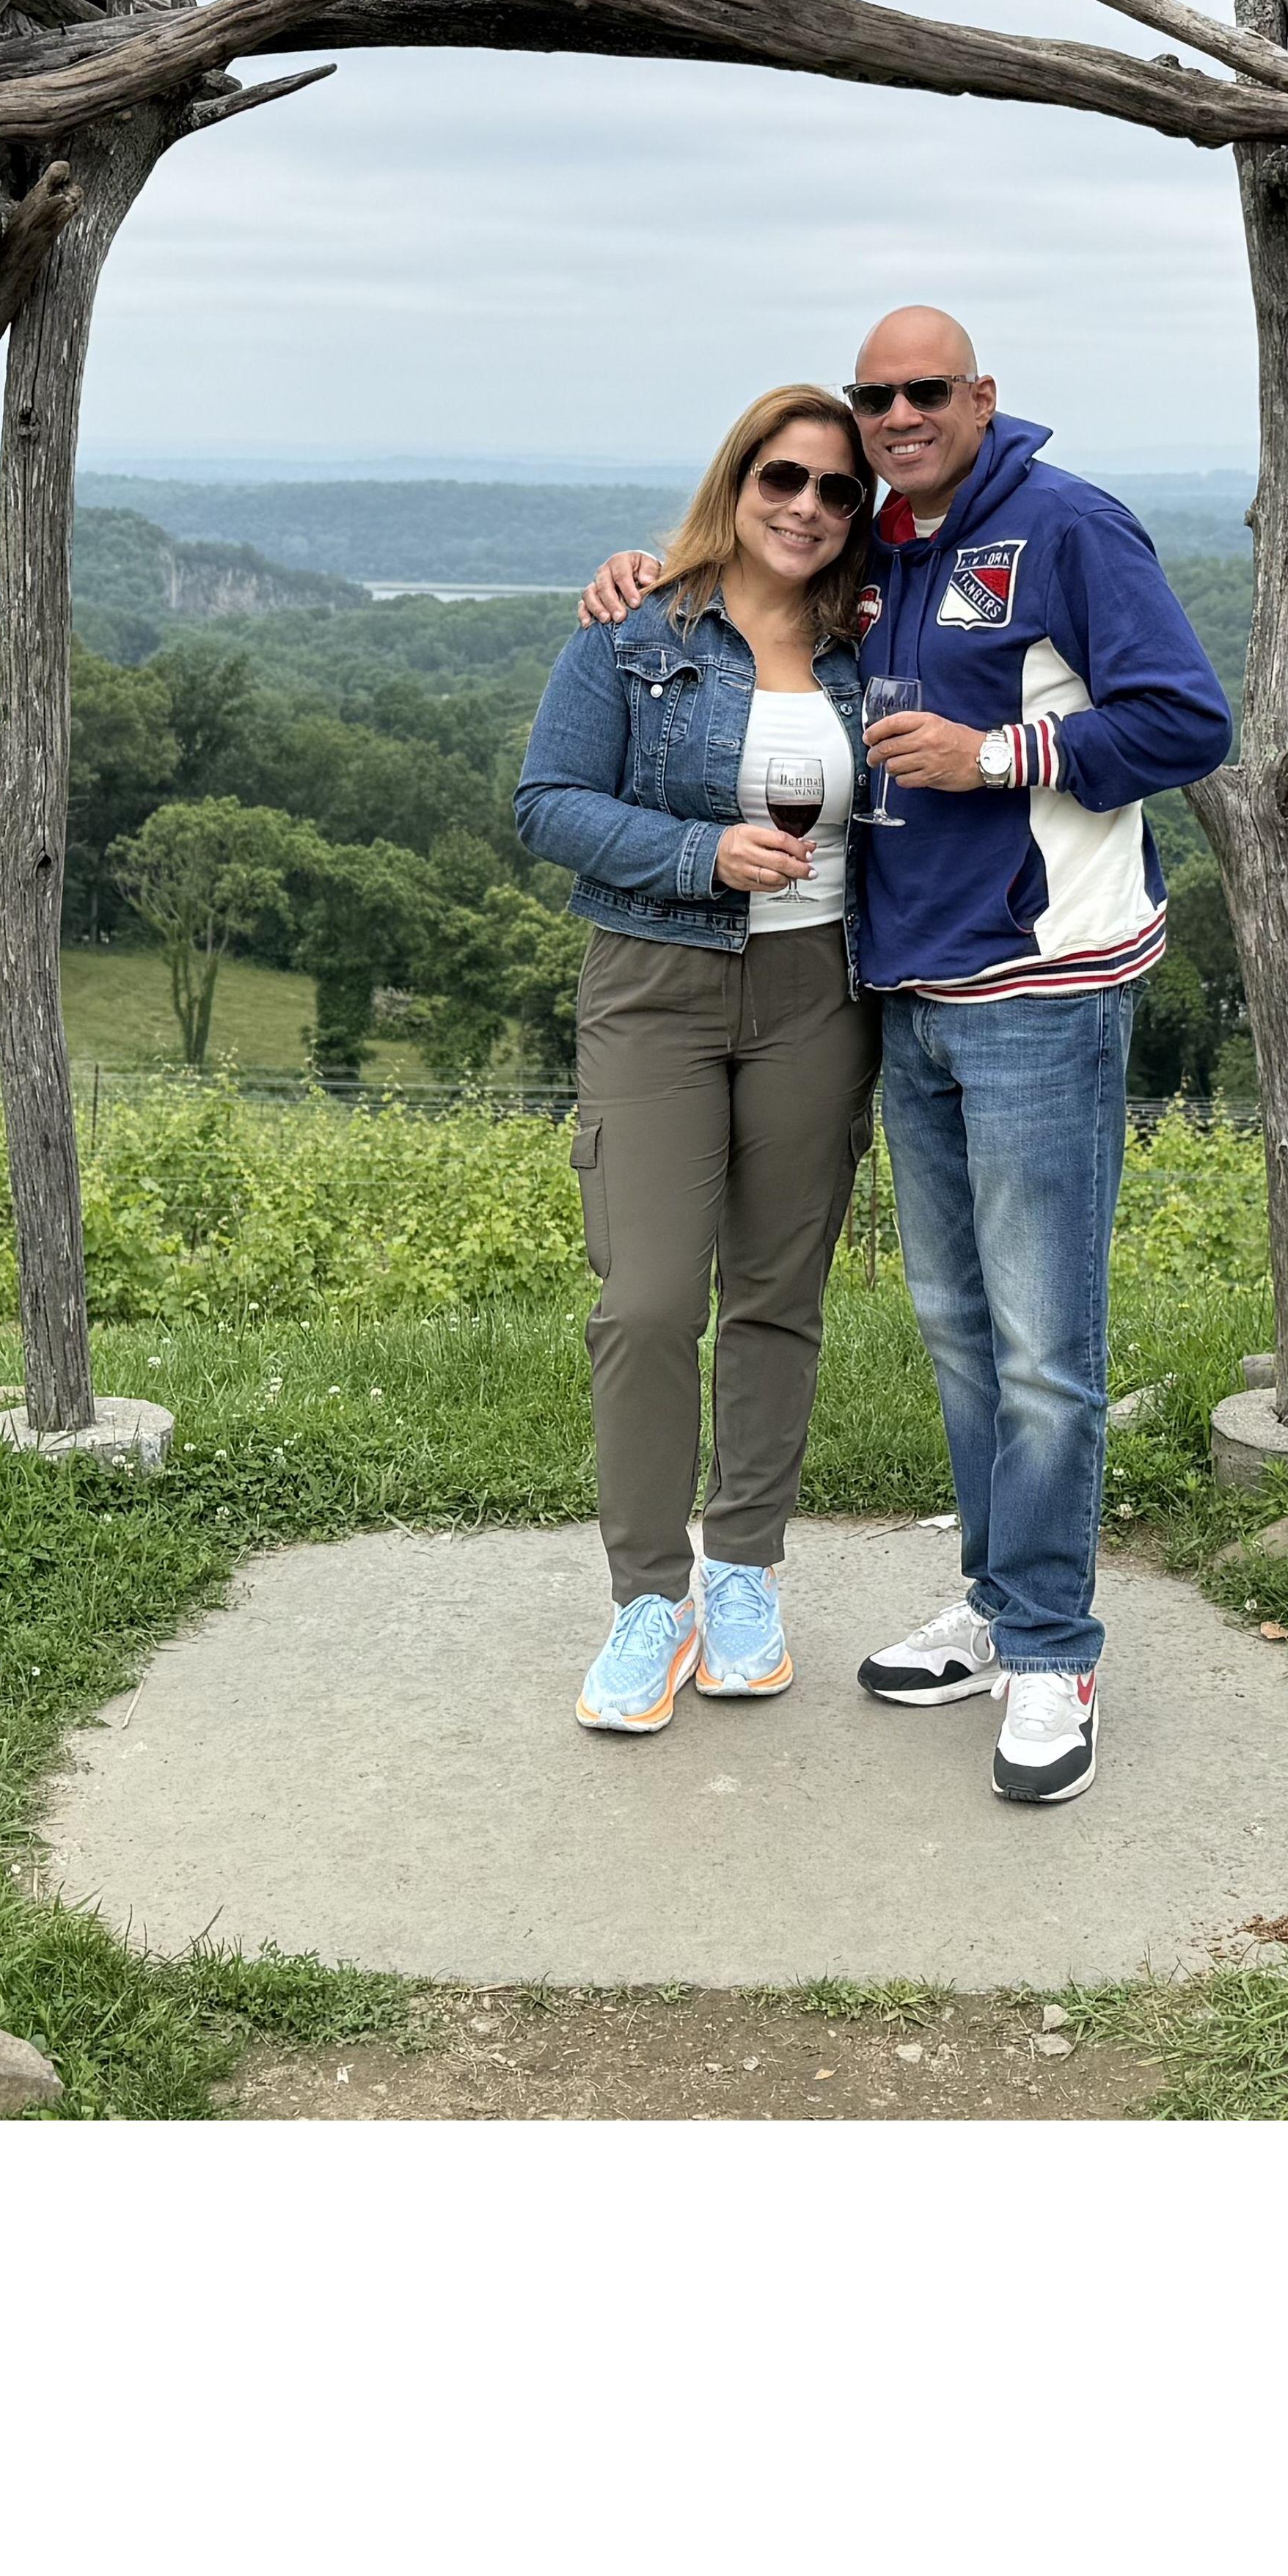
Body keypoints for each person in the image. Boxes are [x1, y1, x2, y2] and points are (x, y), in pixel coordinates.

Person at [581, 307, 1230, 1807]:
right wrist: (637, 573)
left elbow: (1188, 720)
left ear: (982, 395)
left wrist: (1003, 758)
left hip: (1043, 986)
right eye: (874, 396)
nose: (894, 415)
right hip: (908, 998)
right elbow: (746, 590)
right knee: (959, 1333)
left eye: (923, 390)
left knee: (1048, 1353)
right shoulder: (886, 556)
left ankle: (1056, 1650)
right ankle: (1004, 1610)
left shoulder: (1067, 526)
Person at [513, 384, 883, 1736]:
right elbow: (545, 803)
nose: (807, 508)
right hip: (657, 986)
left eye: (839, 491)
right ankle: (646, 1598)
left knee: (778, 1298)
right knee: (652, 1302)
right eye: (785, 478)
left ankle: (743, 1573)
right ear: (739, 480)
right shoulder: (635, 629)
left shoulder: (873, 640)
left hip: (821, 992)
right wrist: (697, 855)